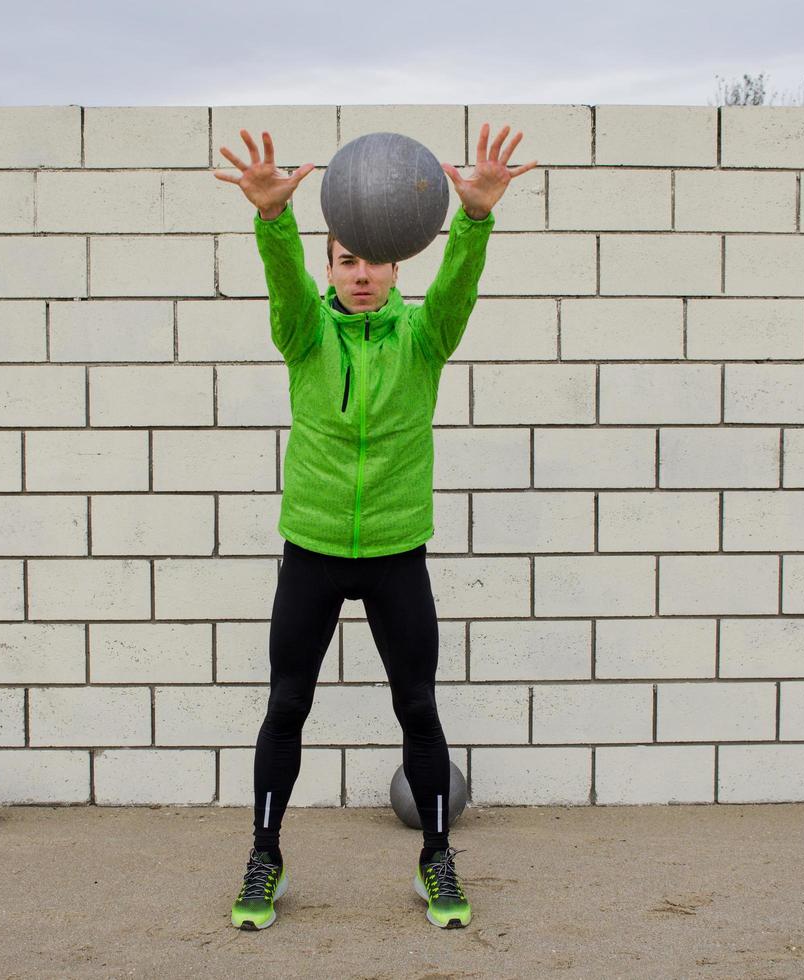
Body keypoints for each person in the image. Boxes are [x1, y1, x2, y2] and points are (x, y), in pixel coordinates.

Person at [212, 125, 535, 930]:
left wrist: (477, 218)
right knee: (286, 706)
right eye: (345, 260)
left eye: (373, 261)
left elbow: (458, 286)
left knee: (418, 710)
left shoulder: (424, 340)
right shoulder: (303, 334)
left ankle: (436, 858)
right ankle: (264, 854)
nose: (360, 275)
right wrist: (271, 220)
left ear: (397, 265)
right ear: (330, 267)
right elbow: (283, 283)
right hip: (312, 551)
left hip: (396, 553)